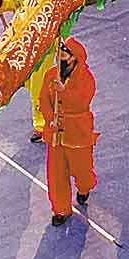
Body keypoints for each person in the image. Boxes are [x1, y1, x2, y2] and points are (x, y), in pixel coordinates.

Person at [40, 37, 99, 226]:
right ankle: (61, 209)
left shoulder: (86, 78)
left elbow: (82, 101)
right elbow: (43, 99)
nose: (60, 56)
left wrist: (64, 91)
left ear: (74, 58)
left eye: (64, 53)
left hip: (77, 132)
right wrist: (50, 119)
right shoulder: (51, 75)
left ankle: (84, 188)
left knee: (83, 171)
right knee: (56, 174)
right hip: (56, 133)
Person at [0, 0, 53, 141]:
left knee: (37, 86)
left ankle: (42, 126)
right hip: (25, 44)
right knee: (27, 80)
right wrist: (1, 2)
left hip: (42, 46)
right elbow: (11, 1)